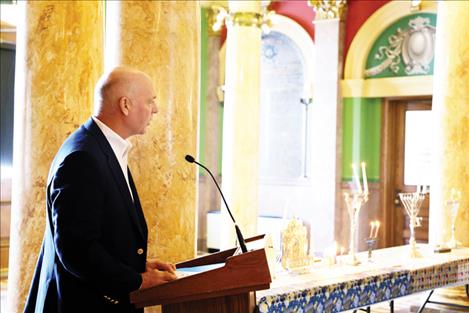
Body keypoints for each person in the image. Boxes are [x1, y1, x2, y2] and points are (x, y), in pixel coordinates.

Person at [24, 67, 177, 313]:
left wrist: (136, 266)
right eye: (150, 101)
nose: (155, 110)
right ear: (125, 105)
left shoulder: (101, 146)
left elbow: (102, 230)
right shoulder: (83, 157)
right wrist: (137, 281)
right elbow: (78, 250)